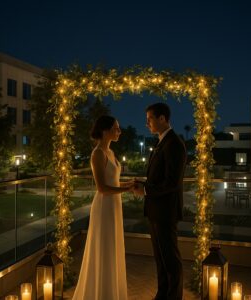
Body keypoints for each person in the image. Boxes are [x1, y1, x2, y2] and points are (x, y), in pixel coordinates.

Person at [72, 115, 134, 300]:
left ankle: (111, 292)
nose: (119, 131)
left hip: (114, 205)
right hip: (104, 206)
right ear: (105, 130)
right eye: (116, 128)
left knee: (112, 247)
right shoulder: (98, 153)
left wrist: (128, 183)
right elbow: (102, 187)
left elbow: (113, 181)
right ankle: (100, 293)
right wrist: (127, 189)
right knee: (103, 248)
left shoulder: (111, 153)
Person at [134, 103, 187, 300]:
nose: (147, 123)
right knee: (161, 259)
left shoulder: (174, 143)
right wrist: (141, 183)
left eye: (150, 119)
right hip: (157, 211)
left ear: (162, 118)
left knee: (170, 260)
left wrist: (145, 189)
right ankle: (162, 294)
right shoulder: (162, 142)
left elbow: (172, 183)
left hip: (165, 212)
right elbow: (158, 177)